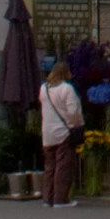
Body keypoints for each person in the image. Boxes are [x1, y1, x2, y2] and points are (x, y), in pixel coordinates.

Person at [37, 63, 83, 208]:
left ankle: (47, 198)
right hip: (63, 132)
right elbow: (72, 111)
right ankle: (60, 198)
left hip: (47, 132)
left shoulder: (43, 89)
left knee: (50, 166)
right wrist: (76, 126)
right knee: (63, 166)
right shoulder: (67, 89)